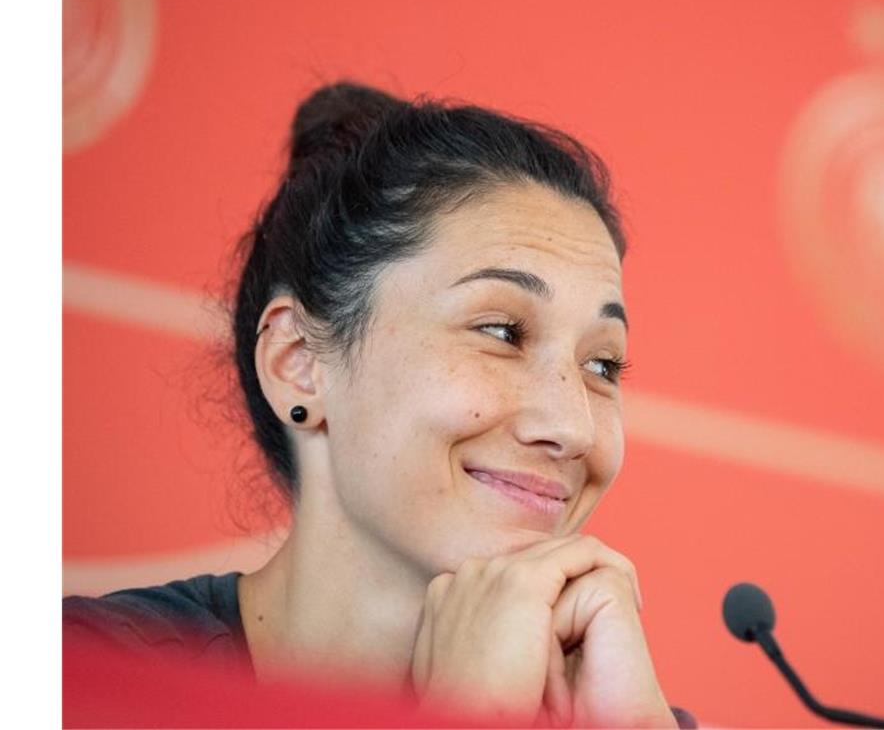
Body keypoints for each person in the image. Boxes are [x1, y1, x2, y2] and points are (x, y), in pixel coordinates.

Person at [64, 82, 690, 728]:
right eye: (502, 332)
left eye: (601, 365)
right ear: (298, 363)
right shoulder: (77, 681)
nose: (570, 426)